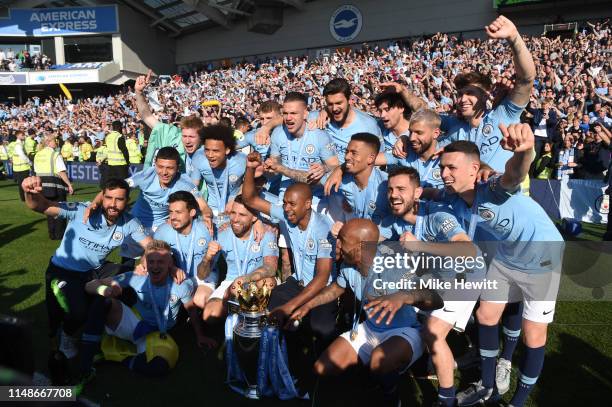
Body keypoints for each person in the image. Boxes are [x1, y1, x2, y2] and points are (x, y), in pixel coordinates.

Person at [433, 124, 564, 407]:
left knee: (534, 334)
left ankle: (517, 401)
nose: (445, 174)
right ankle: (488, 387)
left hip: (544, 255)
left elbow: (515, 174)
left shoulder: (491, 186)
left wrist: (525, 151)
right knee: (487, 315)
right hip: (508, 255)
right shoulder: (456, 200)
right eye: (442, 168)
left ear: (474, 168)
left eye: (452, 168)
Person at [290, 219, 442, 406]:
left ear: (360, 247)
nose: (337, 244)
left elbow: (435, 299)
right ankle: (371, 377)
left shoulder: (395, 265)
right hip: (370, 329)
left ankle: (392, 397)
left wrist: (404, 297)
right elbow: (335, 289)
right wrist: (307, 306)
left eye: (342, 240)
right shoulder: (348, 265)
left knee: (380, 360)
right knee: (322, 367)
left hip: (405, 330)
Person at [20, 176, 152, 382]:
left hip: (93, 271)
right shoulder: (82, 210)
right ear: (102, 197)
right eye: (109, 198)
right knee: (71, 314)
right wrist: (30, 192)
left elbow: (151, 246)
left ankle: (116, 327)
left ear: (127, 201)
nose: (113, 204)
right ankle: (68, 336)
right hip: (62, 271)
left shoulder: (130, 222)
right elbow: (43, 207)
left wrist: (145, 260)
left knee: (130, 281)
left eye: (119, 199)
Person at [78, 240, 214, 386]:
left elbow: (191, 310)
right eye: (151, 261)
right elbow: (89, 285)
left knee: (159, 367)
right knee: (102, 301)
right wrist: (107, 290)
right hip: (136, 323)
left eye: (160, 262)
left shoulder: (181, 285)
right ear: (145, 263)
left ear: (170, 264)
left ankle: (118, 356)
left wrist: (200, 335)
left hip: (159, 334)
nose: (155, 266)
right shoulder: (136, 277)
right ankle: (87, 358)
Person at [242, 150, 337, 347]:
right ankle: (283, 352)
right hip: (297, 284)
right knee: (269, 309)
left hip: (321, 289)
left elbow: (321, 278)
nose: (286, 209)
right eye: (284, 203)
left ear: (308, 204)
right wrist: (250, 169)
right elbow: (250, 199)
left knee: (322, 329)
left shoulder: (322, 229)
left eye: (292, 204)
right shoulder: (287, 215)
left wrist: (290, 307)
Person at [87, 147, 212, 266]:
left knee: (165, 260)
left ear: (178, 168)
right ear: (155, 164)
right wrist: (94, 204)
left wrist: (206, 215)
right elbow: (115, 188)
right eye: (160, 167)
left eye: (170, 168)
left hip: (162, 226)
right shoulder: (146, 175)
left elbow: (202, 205)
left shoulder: (184, 182)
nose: (164, 172)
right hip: (137, 223)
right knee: (127, 263)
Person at [200, 196, 279, 323]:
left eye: (242, 215)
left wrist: (246, 279)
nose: (235, 219)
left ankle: (256, 327)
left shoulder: (266, 233)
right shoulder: (221, 232)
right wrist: (206, 258)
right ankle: (234, 328)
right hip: (230, 282)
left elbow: (270, 268)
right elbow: (202, 274)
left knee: (268, 283)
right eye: (233, 213)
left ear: (254, 218)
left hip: (256, 280)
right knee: (210, 314)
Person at [265, 91, 339, 198]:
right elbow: (275, 165)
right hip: (285, 194)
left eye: (293, 113)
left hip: (315, 197)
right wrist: (267, 167)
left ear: (305, 114)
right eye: (285, 113)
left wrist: (324, 167)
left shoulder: (320, 136)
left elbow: (335, 165)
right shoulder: (278, 133)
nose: (288, 118)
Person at [153, 191, 215, 311]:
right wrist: (171, 268)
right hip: (177, 275)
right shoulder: (162, 231)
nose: (173, 217)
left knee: (200, 300)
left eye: (178, 212)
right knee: (166, 297)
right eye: (171, 212)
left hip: (205, 275)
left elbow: (233, 223)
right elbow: (150, 257)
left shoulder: (208, 228)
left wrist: (259, 222)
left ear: (192, 212)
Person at [135, 71, 204, 175]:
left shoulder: (208, 152)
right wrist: (139, 93)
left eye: (192, 137)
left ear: (201, 137)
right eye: (184, 136)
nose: (187, 141)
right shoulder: (170, 134)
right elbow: (147, 116)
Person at [325, 133, 390, 234]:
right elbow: (312, 180)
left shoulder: (387, 186)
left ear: (371, 158)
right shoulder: (340, 179)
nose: (346, 157)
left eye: (354, 153)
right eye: (347, 152)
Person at [190, 124, 246, 218]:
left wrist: (235, 199)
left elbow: (252, 183)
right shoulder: (199, 157)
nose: (210, 155)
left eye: (216, 151)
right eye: (207, 150)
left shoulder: (241, 160)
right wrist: (204, 206)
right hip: (210, 209)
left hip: (236, 208)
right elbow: (192, 186)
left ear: (227, 150)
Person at [33, 134, 74, 240]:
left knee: (49, 210)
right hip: (56, 186)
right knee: (60, 210)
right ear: (48, 142)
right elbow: (61, 171)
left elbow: (36, 171)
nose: (56, 142)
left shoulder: (38, 154)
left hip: (43, 186)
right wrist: (69, 184)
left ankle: (52, 233)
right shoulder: (55, 154)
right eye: (54, 140)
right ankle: (60, 234)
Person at [11, 130, 32, 202]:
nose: (24, 136)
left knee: (22, 183)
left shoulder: (19, 144)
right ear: (18, 136)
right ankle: (24, 198)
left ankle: (24, 197)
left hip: (19, 167)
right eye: (22, 135)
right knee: (23, 184)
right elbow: (22, 155)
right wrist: (29, 162)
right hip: (22, 167)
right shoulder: (18, 145)